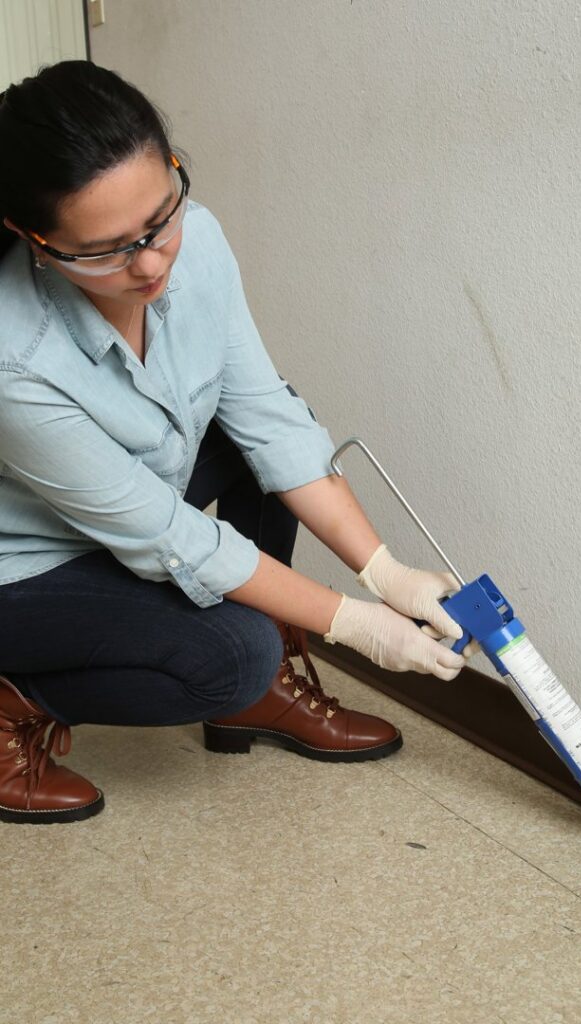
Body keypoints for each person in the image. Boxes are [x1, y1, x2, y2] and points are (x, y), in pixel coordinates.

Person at [0, 61, 470, 825]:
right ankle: (13, 699)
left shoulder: (202, 240)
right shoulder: (13, 356)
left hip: (131, 503)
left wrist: (385, 573)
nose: (152, 262)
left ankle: (257, 698)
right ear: (37, 241)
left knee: (246, 439)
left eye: (160, 220)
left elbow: (269, 419)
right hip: (22, 563)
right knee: (233, 655)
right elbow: (170, 537)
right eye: (108, 251)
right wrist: (351, 622)